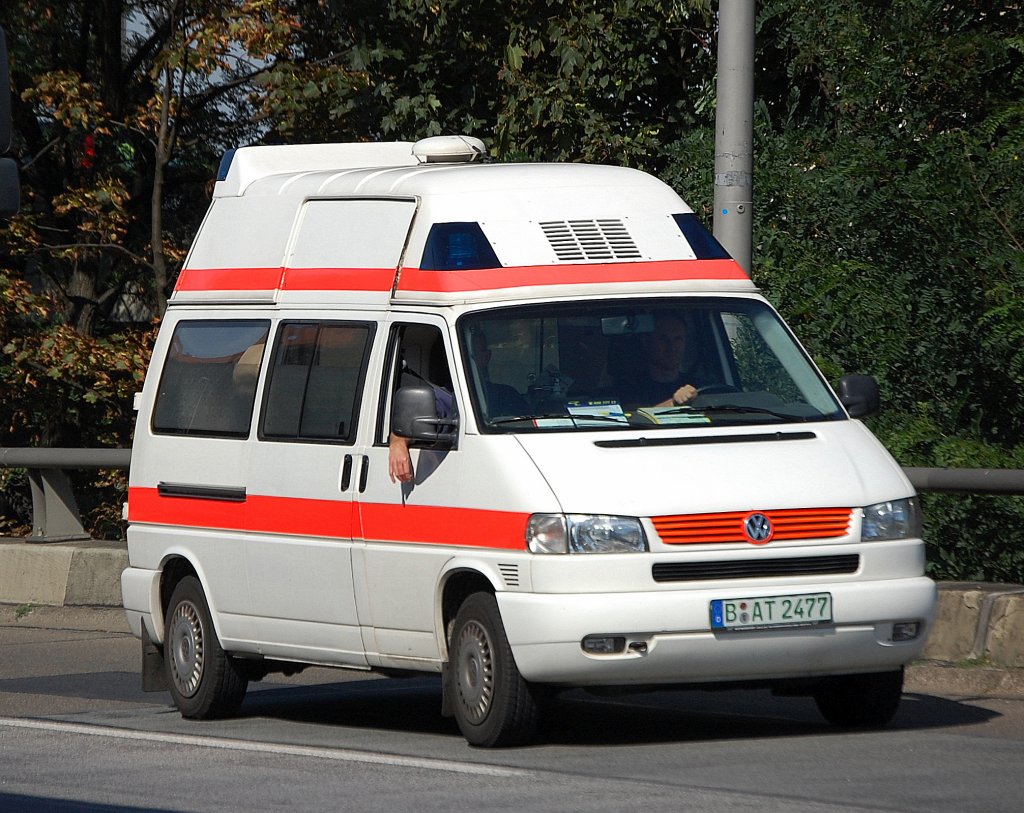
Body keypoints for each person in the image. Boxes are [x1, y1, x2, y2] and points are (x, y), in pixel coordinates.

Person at [620, 314, 700, 408]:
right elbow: (633, 417)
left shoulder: (698, 387)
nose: (672, 347)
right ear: (647, 342)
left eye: (678, 339)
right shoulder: (629, 388)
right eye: (663, 339)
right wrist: (674, 403)